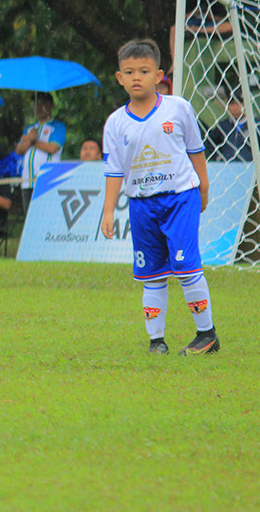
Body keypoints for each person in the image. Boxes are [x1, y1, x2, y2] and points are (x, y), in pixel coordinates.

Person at [100, 38, 219, 356]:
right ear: (119, 78)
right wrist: (108, 211)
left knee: (186, 268)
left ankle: (207, 335)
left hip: (180, 199)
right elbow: (114, 171)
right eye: (129, 71)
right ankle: (157, 342)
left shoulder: (178, 108)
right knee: (152, 274)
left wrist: (203, 188)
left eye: (144, 70)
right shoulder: (115, 123)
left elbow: (196, 151)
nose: (136, 77)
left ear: (158, 75)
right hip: (141, 205)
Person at [15, 91, 65, 213]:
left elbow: (52, 148)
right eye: (37, 104)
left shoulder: (57, 127)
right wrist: (29, 139)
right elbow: (19, 150)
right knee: (29, 217)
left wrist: (32, 141)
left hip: (47, 180)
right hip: (28, 181)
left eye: (43, 104)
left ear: (51, 105)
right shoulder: (30, 128)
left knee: (45, 215)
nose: (39, 108)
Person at [206, 88, 252, 162]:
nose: (235, 108)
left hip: (249, 168)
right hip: (227, 167)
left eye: (239, 103)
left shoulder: (256, 125)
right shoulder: (222, 125)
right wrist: (218, 157)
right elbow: (211, 141)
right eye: (232, 104)